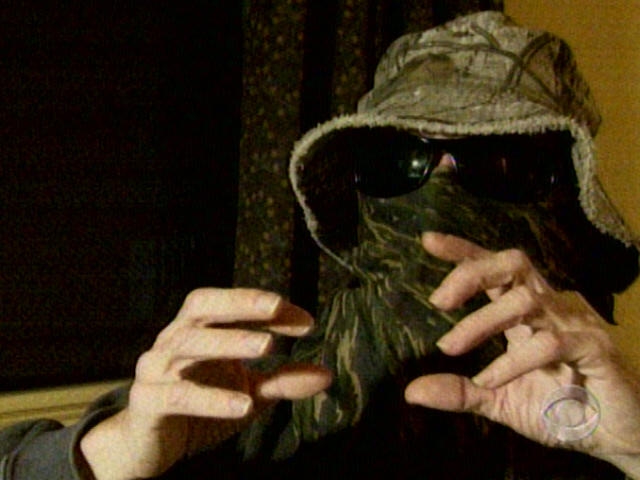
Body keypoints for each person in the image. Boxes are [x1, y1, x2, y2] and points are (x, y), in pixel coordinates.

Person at [2, 10, 640, 479]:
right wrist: (112, 454)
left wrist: (631, 448)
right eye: (397, 161)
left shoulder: (604, 411)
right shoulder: (256, 394)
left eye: (502, 163)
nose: (439, 188)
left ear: (565, 204)